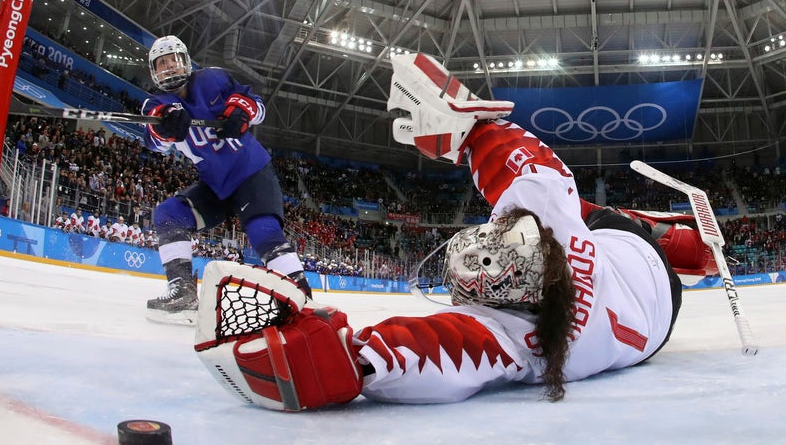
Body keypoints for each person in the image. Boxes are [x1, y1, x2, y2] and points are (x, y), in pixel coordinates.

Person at [194, 52, 718, 409]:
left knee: (585, 214)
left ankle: (677, 244)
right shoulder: (561, 239)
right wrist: (472, 130)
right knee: (592, 214)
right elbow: (538, 177)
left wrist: (351, 360)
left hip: (650, 319)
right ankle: (677, 241)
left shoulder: (520, 342)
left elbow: (439, 349)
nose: (495, 234)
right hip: (629, 254)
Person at [142, 35, 309, 324]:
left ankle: (301, 300)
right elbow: (155, 142)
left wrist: (242, 111)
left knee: (263, 233)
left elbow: (257, 107)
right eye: (162, 63)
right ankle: (183, 292)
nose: (169, 66)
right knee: (168, 215)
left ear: (186, 62)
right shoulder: (157, 104)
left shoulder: (213, 79)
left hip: (251, 175)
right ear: (154, 71)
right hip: (216, 187)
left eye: (173, 59)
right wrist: (165, 127)